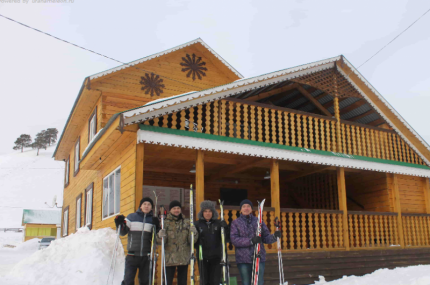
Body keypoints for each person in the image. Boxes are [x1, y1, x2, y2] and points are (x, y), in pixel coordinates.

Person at [230, 199, 281, 285]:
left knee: (259, 282)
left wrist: (275, 236)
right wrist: (251, 241)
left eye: (248, 206)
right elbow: (234, 240)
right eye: (244, 206)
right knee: (246, 282)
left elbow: (266, 238)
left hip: (258, 257)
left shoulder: (258, 221)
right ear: (241, 209)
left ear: (251, 209)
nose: (246, 208)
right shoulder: (235, 223)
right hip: (243, 259)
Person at [114, 197, 160, 285]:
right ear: (141, 206)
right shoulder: (131, 217)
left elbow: (156, 238)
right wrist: (119, 223)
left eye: (149, 205)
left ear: (151, 207)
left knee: (145, 281)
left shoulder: (152, 220)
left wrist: (157, 227)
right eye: (144, 204)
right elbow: (123, 232)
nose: (146, 206)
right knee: (128, 280)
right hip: (132, 255)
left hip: (146, 256)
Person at [157, 200, 198, 285]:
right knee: (167, 281)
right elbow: (160, 242)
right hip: (169, 258)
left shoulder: (186, 222)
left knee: (182, 282)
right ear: (170, 210)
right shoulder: (165, 223)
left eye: (178, 208)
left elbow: (192, 241)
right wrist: (160, 236)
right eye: (174, 208)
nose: (176, 210)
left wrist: (194, 233)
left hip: (183, 258)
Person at [195, 200, 230, 285]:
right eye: (205, 211)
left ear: (213, 212)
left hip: (216, 257)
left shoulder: (218, 223)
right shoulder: (197, 224)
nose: (208, 213)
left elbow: (227, 239)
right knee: (204, 281)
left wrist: (226, 229)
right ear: (202, 213)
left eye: (210, 211)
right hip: (202, 257)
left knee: (215, 281)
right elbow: (193, 242)